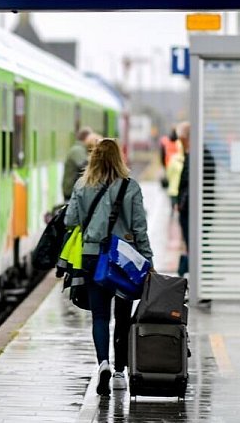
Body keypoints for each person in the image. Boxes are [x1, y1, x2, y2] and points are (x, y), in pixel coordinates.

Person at [65, 138, 152, 395]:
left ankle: (102, 363)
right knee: (123, 316)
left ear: (93, 159)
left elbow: (70, 220)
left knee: (100, 316)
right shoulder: (131, 187)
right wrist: (148, 261)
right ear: (119, 158)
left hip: (93, 258)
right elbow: (140, 229)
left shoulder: (82, 185)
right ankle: (119, 372)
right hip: (124, 261)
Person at [175, 121, 215, 278]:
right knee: (196, 244)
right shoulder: (198, 155)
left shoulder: (196, 157)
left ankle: (203, 280)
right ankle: (199, 279)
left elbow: (190, 184)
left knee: (197, 244)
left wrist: (181, 204)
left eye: (181, 139)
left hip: (194, 211)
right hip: (195, 209)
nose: (180, 143)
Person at [61, 127, 94, 201]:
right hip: (71, 190)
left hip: (72, 189)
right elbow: (85, 166)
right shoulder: (78, 150)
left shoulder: (79, 149)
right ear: (87, 138)